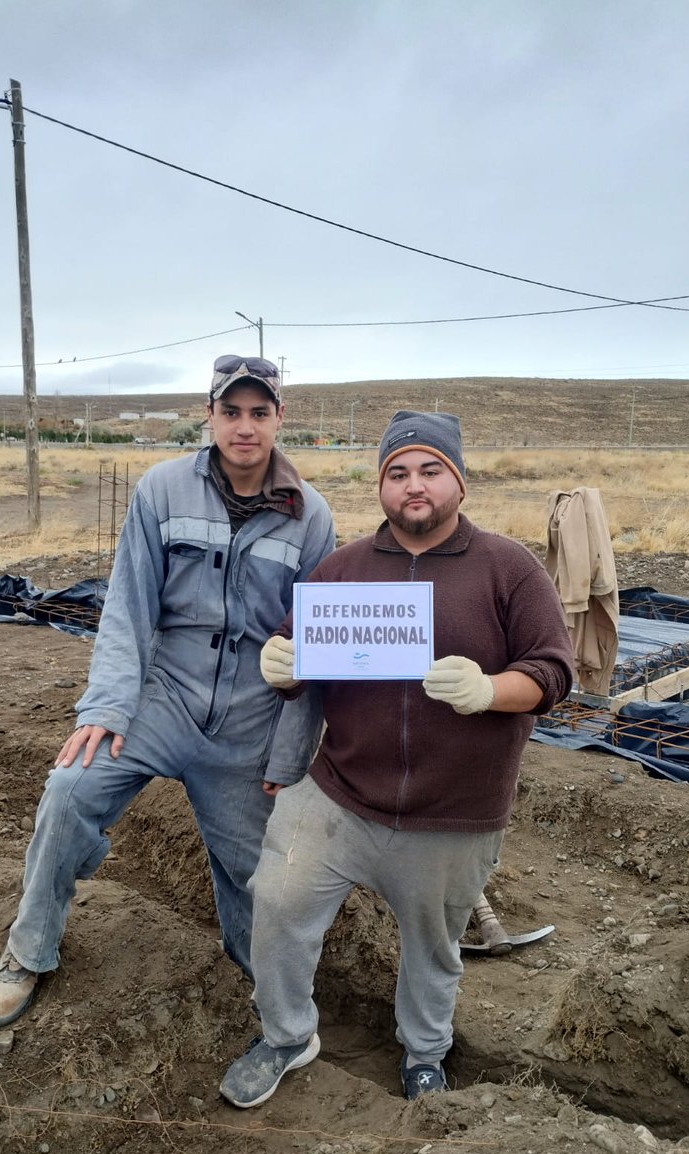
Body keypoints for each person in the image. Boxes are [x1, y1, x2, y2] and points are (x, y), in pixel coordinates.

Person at [219, 410, 574, 1107]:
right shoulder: (342, 571)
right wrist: (279, 662)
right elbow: (298, 664)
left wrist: (488, 690)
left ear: (458, 483)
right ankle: (288, 1035)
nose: (414, 486)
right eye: (397, 473)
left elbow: (552, 672)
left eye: (429, 470)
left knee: (433, 947)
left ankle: (424, 1054)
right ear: (381, 488)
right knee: (276, 902)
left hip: (454, 813)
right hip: (339, 795)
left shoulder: (508, 569)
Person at [0, 354, 335, 1027]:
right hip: (160, 700)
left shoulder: (310, 517)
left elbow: (311, 648)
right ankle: (28, 949)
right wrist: (107, 706)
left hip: (248, 723)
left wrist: (288, 757)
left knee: (254, 875)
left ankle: (260, 982)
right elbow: (128, 608)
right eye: (231, 411)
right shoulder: (162, 490)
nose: (245, 426)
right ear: (210, 416)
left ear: (280, 419)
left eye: (259, 413)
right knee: (68, 791)